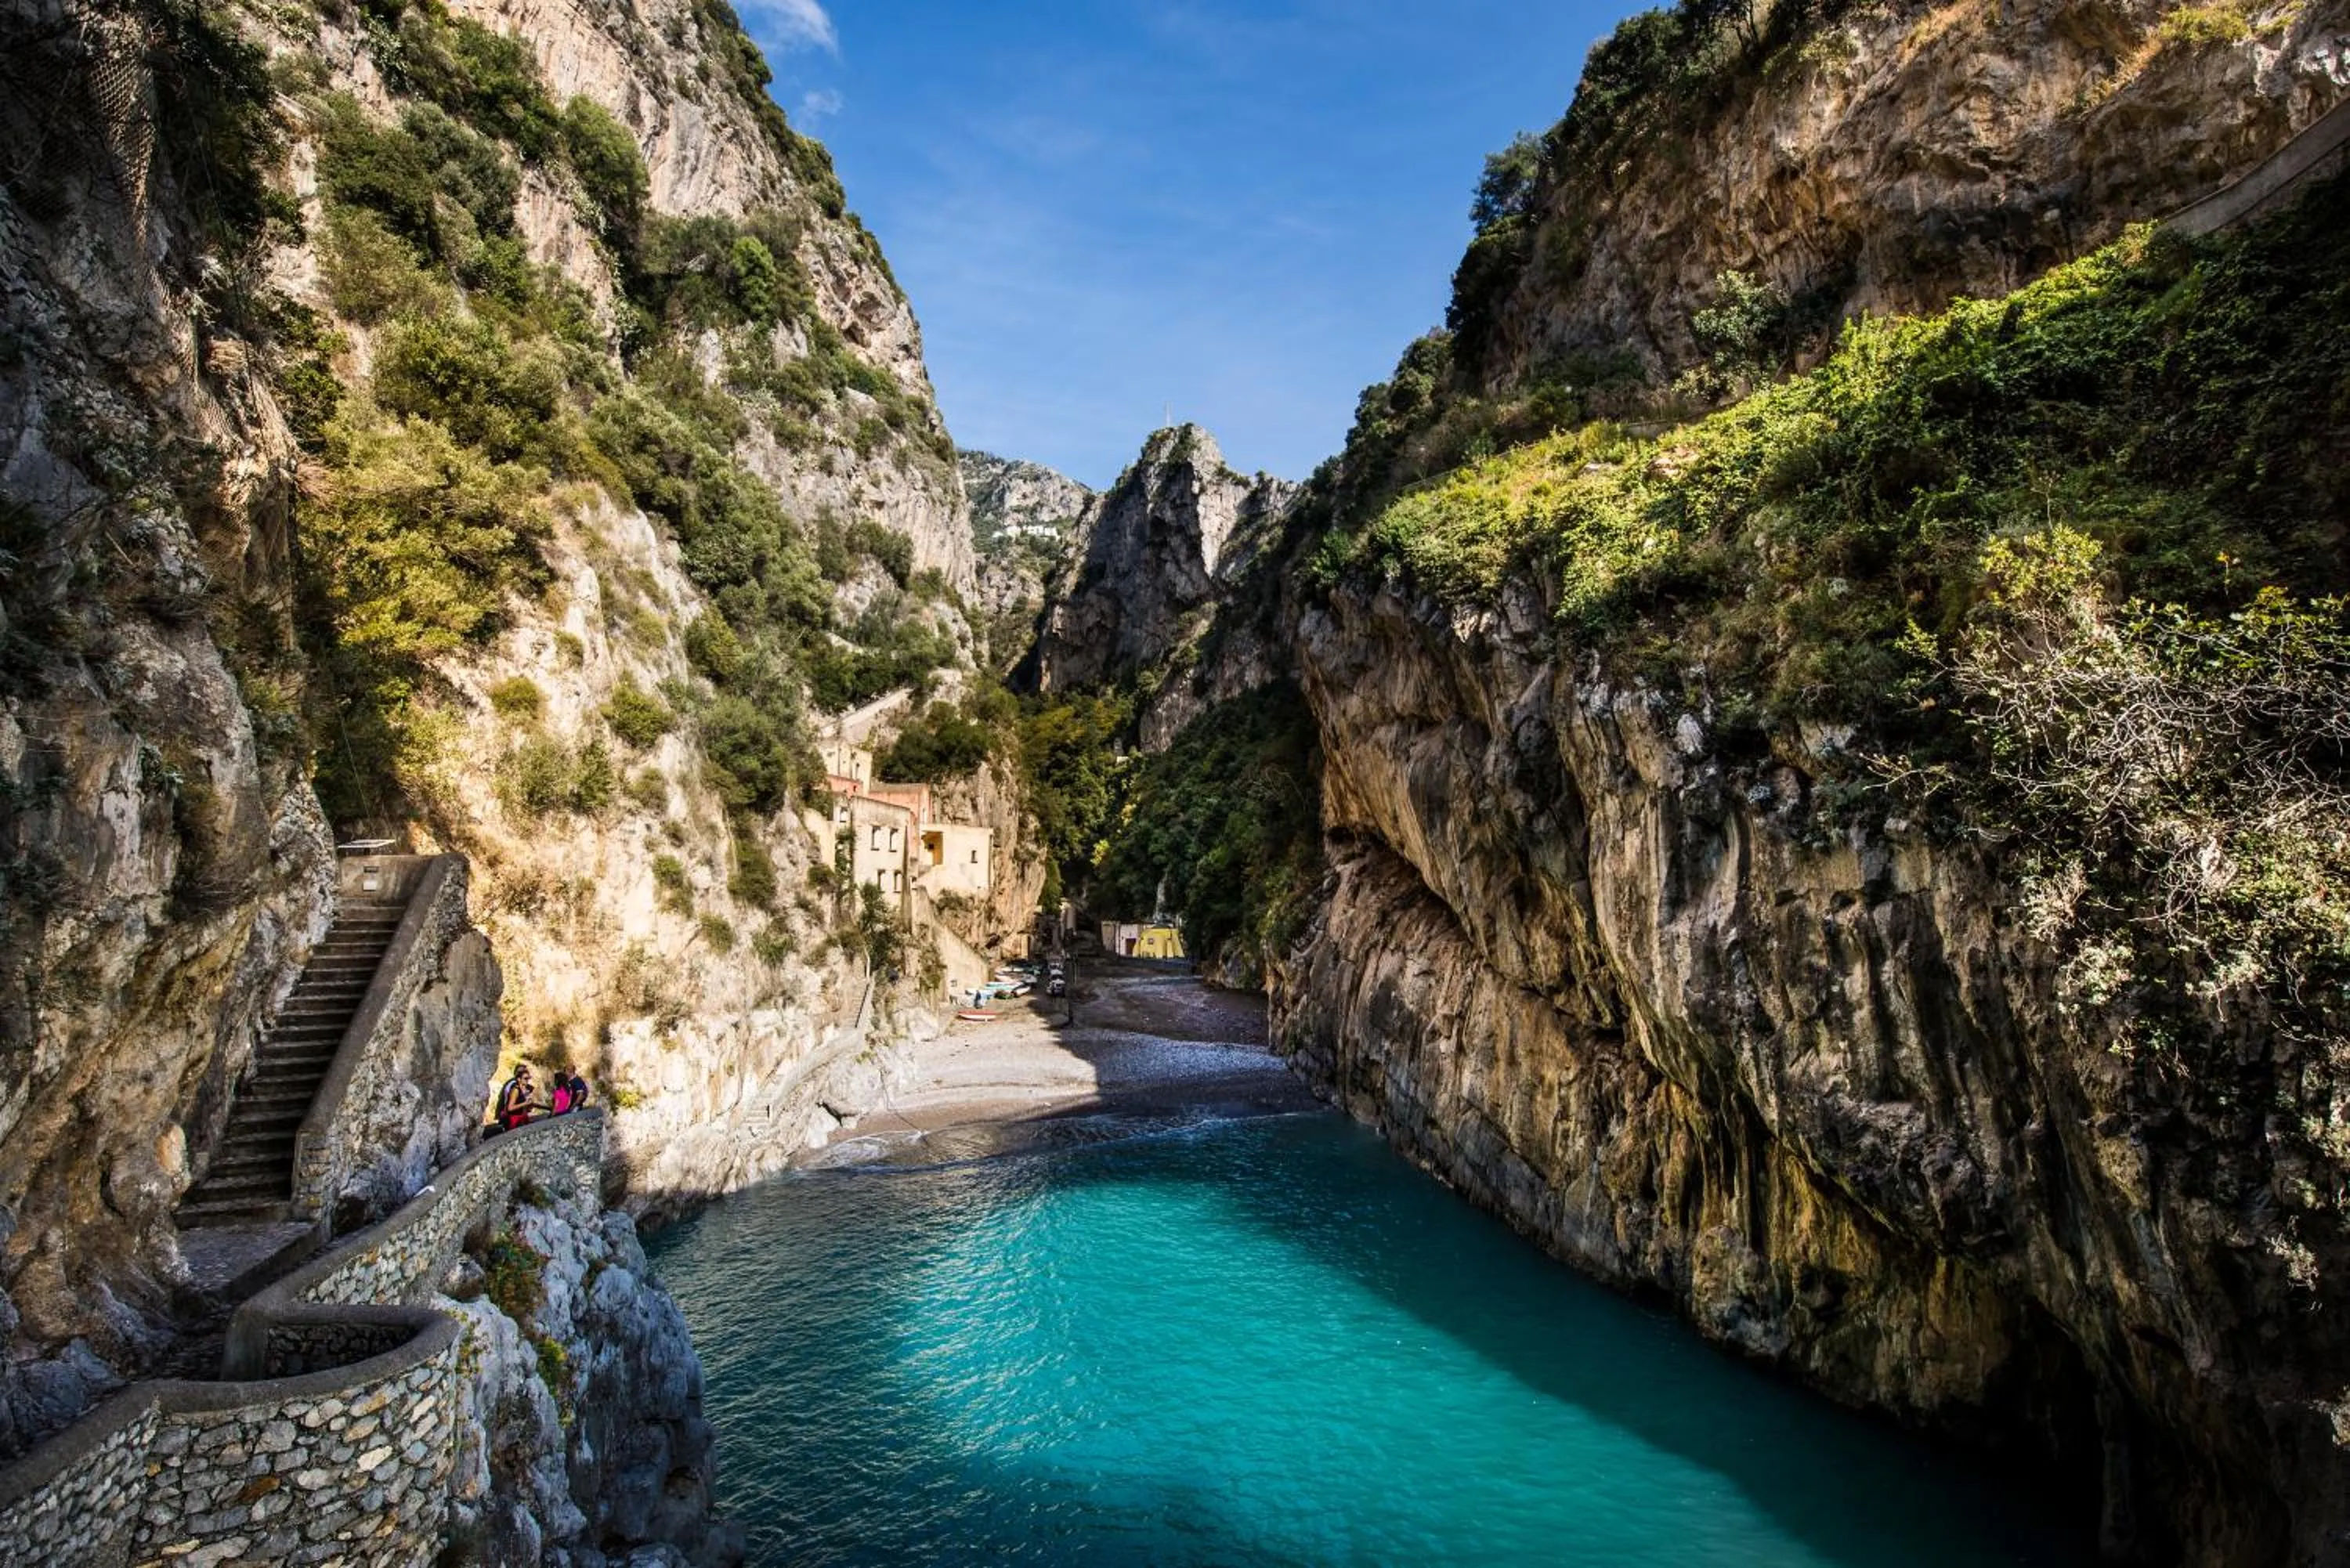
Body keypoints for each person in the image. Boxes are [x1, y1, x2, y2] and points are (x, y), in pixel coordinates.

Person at [494, 1064, 537, 1131]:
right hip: (514, 1119)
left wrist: (529, 1106)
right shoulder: (515, 1089)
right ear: (519, 1079)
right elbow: (510, 1108)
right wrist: (525, 1104)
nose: (527, 1080)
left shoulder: (525, 1089)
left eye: (528, 1078)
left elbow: (529, 1104)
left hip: (523, 1118)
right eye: (525, 1079)